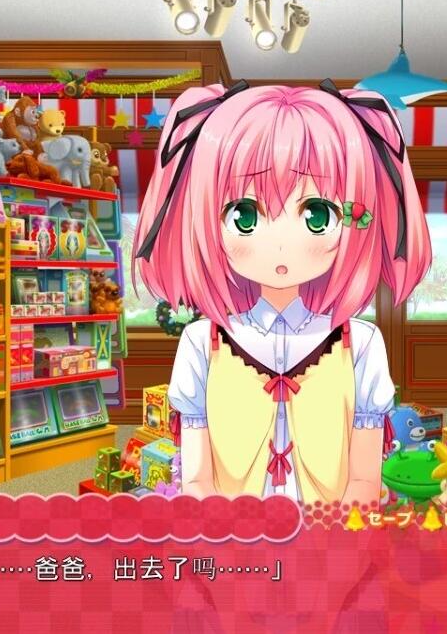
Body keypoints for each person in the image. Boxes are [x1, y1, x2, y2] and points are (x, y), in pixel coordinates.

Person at [132, 81, 431, 505]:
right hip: (233, 537)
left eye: (317, 214)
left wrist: (335, 539)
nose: (280, 243)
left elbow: (363, 482)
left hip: (330, 536)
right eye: (244, 214)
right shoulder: (202, 342)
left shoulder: (361, 343)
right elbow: (197, 482)